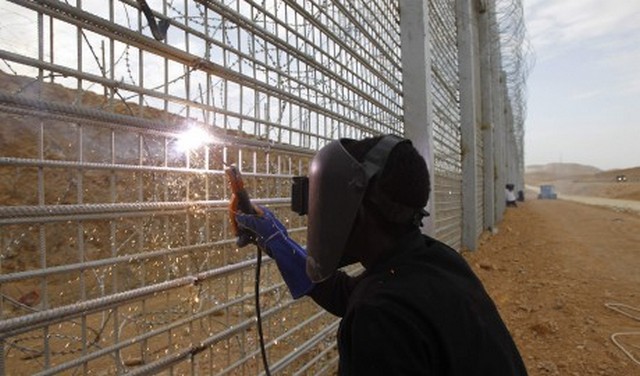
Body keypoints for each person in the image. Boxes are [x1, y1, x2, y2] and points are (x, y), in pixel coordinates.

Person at [235, 135, 527, 375]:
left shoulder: (380, 315)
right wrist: (278, 243)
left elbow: (369, 303)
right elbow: (348, 294)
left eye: (327, 201)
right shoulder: (433, 261)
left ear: (358, 212)